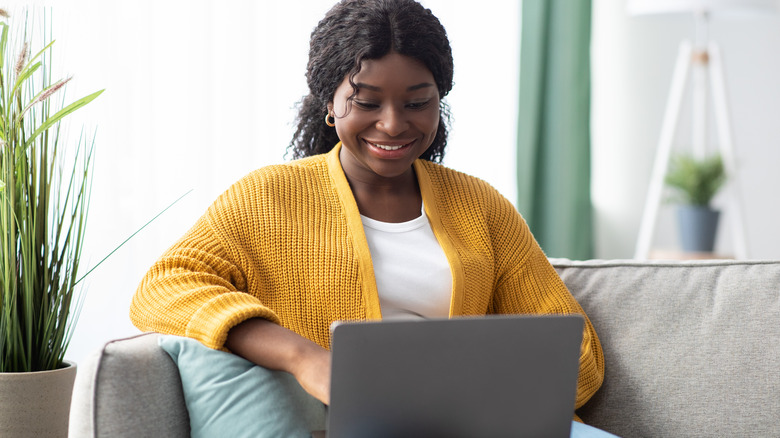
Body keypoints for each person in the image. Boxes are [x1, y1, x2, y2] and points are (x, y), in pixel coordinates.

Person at [131, 0, 608, 435]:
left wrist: (485, 392)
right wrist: (306, 359)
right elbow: (164, 287)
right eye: (367, 102)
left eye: (418, 102)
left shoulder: (480, 206)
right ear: (330, 103)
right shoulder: (268, 196)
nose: (394, 123)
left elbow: (578, 355)